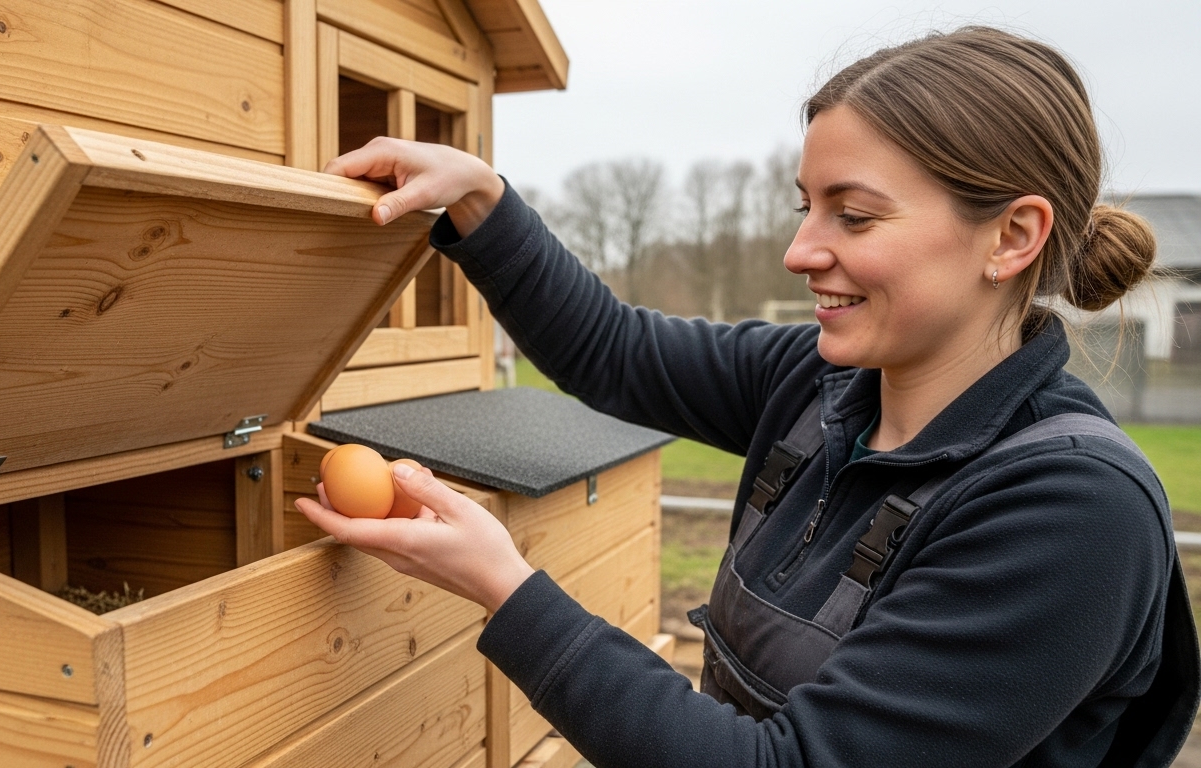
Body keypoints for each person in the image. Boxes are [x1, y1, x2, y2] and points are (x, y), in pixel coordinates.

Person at [296, 26, 1200, 767]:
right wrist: (483, 201)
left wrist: (507, 587)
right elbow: (614, 351)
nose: (801, 250)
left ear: (1012, 236)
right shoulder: (820, 383)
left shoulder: (1072, 511)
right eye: (804, 206)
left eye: (854, 214)